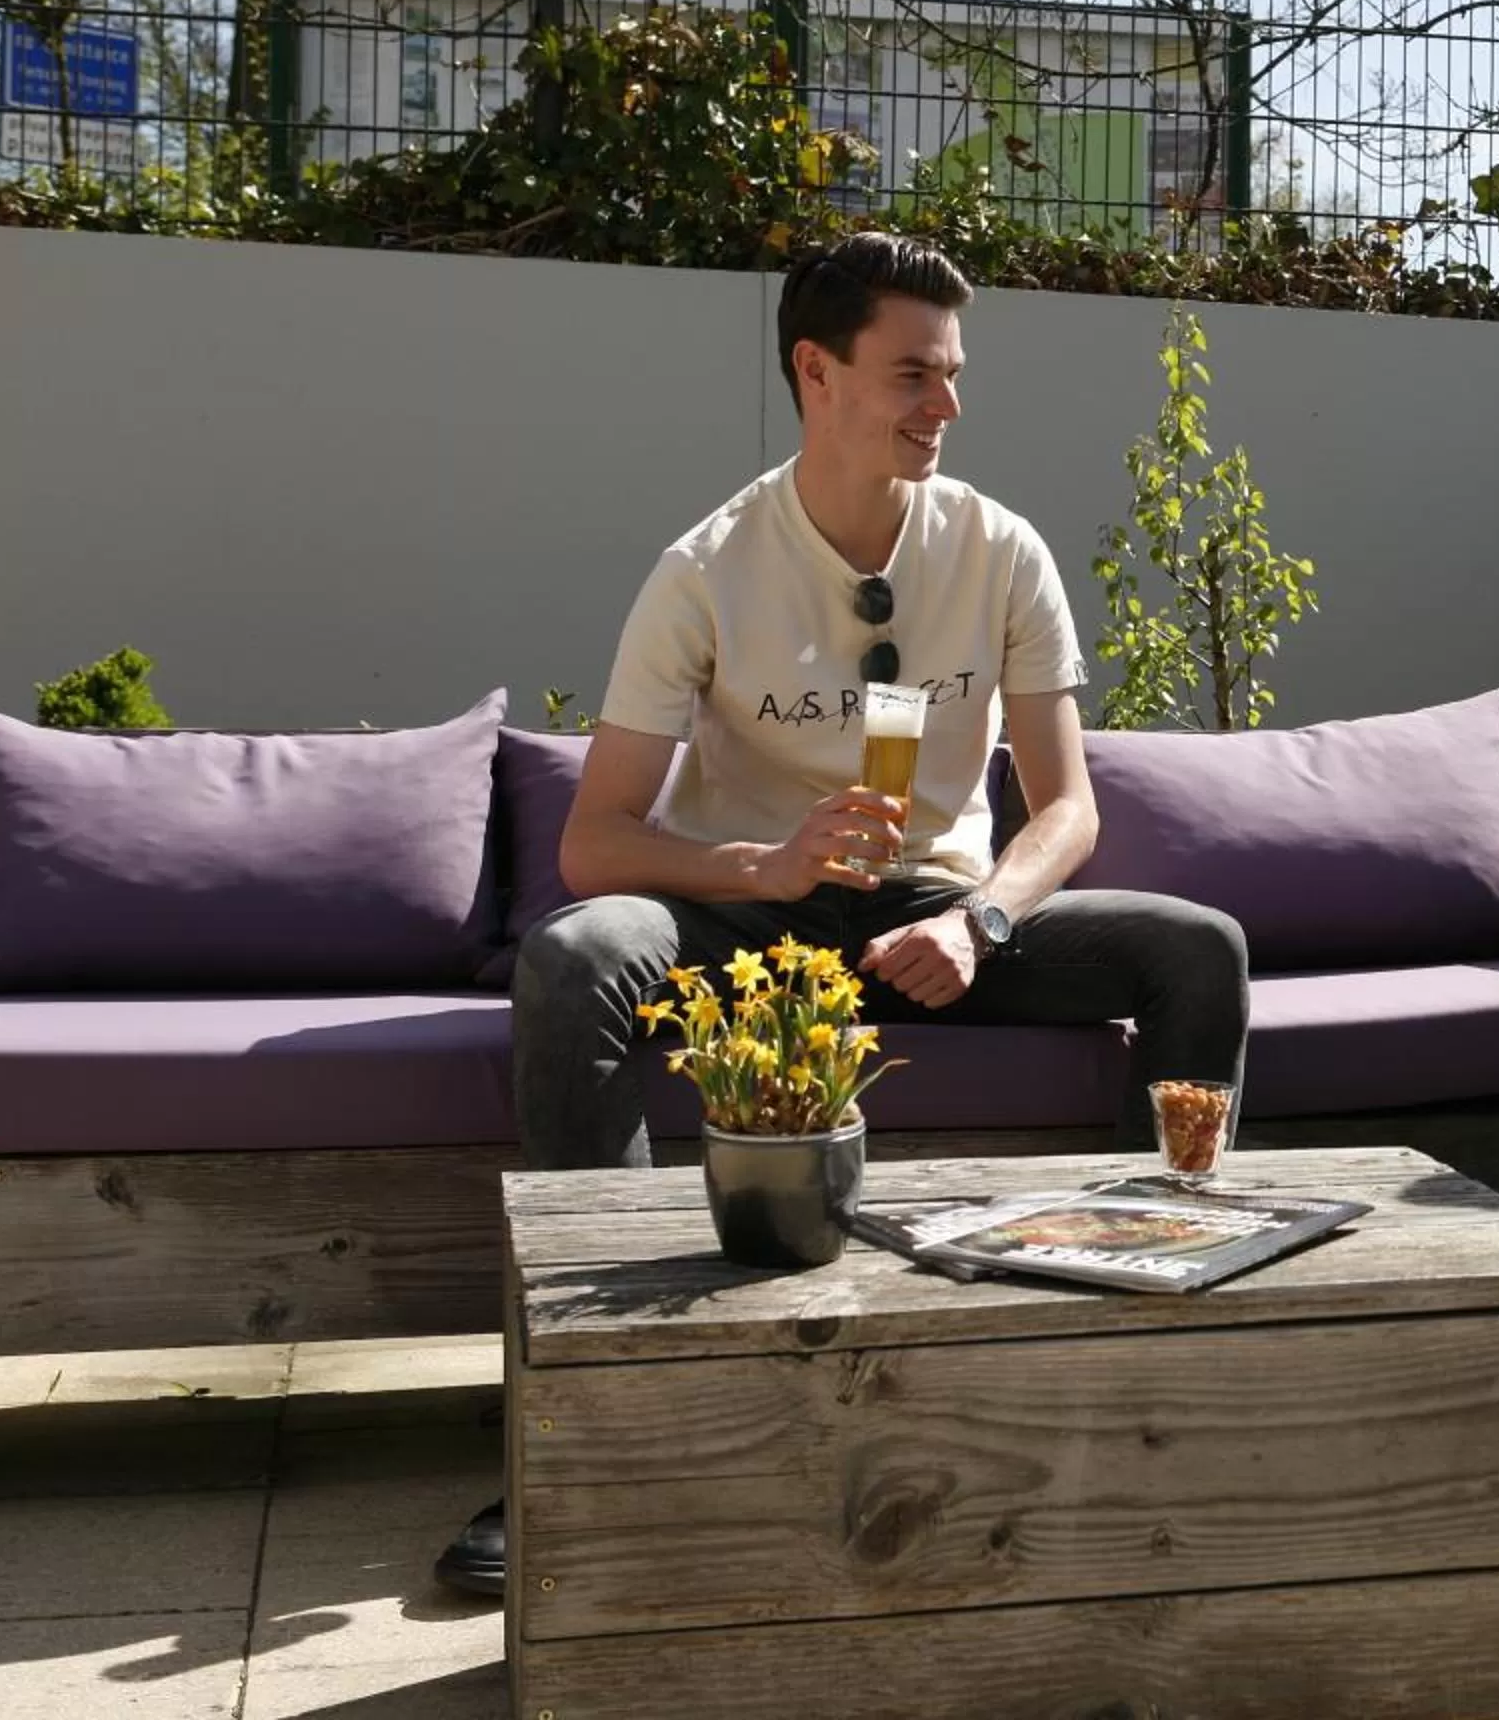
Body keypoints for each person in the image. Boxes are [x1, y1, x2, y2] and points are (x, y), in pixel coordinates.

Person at [434, 233, 1249, 1597]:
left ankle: (1137, 1378)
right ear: (817, 373)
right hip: (752, 925)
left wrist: (982, 923)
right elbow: (595, 844)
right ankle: (601, 1423)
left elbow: (1068, 811)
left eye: (954, 373)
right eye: (914, 374)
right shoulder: (707, 569)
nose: (948, 404)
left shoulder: (998, 551)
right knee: (578, 959)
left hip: (935, 920)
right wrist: (765, 864)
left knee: (1196, 951)